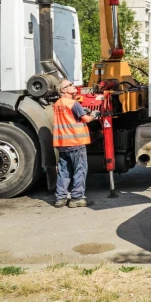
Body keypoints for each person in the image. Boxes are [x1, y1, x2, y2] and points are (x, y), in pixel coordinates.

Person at [53, 79, 99, 208]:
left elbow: (68, 117)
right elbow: (86, 119)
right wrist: (94, 114)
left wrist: (80, 110)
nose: (74, 86)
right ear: (63, 90)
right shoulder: (73, 103)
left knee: (64, 171)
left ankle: (60, 199)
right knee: (80, 170)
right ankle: (76, 198)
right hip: (76, 142)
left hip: (62, 143)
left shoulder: (57, 104)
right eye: (70, 85)